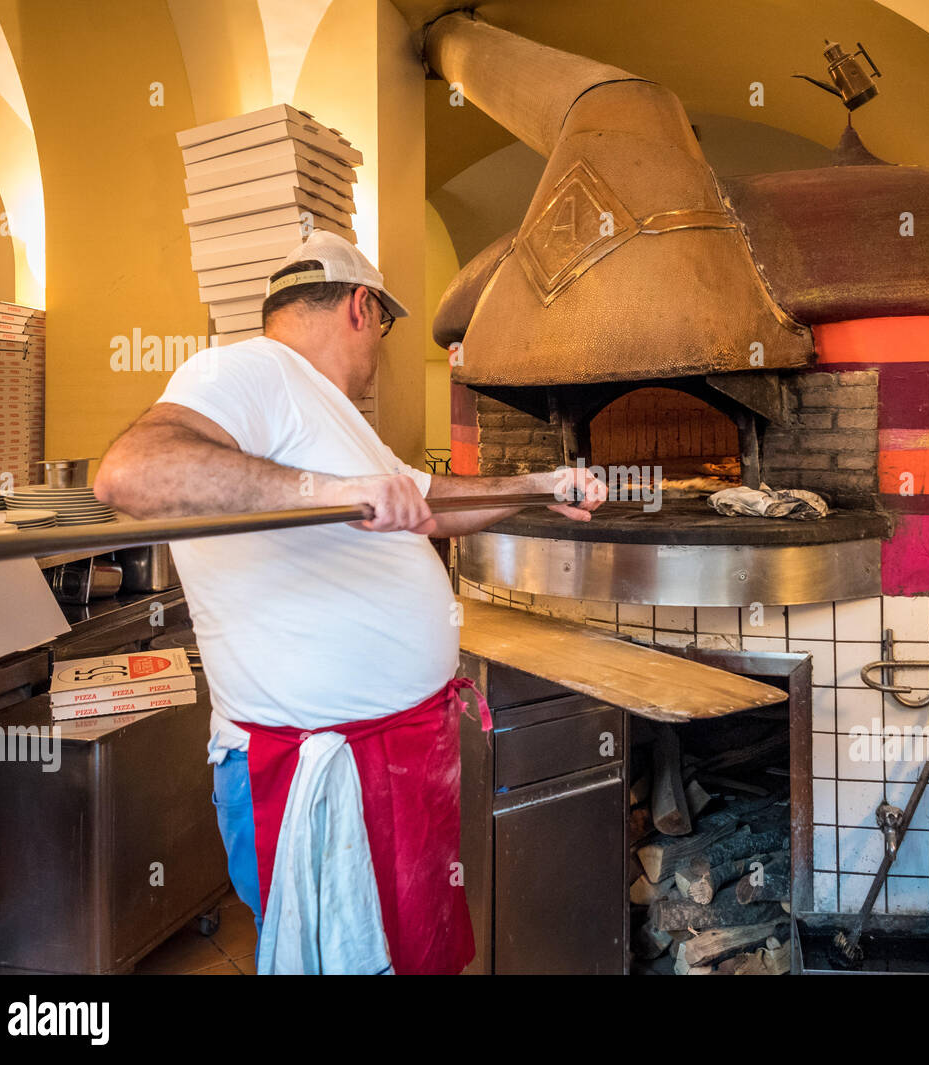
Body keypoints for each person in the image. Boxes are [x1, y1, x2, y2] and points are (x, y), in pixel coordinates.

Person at [94, 231, 606, 973]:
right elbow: (130, 472)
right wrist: (332, 494)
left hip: (396, 754)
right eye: (386, 331)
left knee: (402, 956)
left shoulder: (334, 419)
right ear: (364, 309)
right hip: (321, 770)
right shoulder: (247, 370)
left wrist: (538, 487)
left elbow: (429, 505)